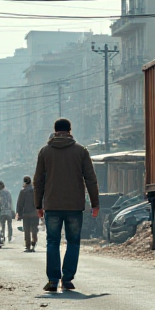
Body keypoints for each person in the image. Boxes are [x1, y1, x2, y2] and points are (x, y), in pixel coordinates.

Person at [34, 118, 100, 292]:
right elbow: (91, 179)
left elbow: (38, 180)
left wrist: (38, 205)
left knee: (52, 242)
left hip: (52, 205)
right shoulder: (81, 151)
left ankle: (53, 280)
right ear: (70, 131)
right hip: (74, 206)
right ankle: (68, 279)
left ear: (55, 131)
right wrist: (95, 204)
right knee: (73, 242)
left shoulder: (45, 152)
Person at [15, 176, 38, 252]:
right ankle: (34, 243)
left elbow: (20, 204)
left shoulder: (23, 191)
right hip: (35, 214)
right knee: (34, 229)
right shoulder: (36, 190)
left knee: (27, 230)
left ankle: (28, 246)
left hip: (26, 214)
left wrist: (19, 214)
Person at [0, 180, 15, 247]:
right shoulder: (8, 192)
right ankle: (10, 237)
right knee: (9, 224)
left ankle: (2, 237)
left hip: (1, 211)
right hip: (8, 211)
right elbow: (11, 201)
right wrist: (12, 210)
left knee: (2, 225)